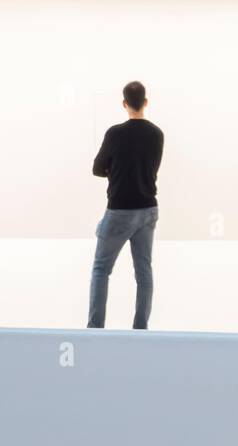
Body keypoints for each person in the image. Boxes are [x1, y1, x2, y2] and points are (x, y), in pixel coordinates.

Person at [87, 80, 163, 330]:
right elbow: (150, 168)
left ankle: (95, 328)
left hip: (120, 209)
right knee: (144, 271)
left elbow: (97, 168)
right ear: (145, 102)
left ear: (124, 103)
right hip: (148, 210)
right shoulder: (156, 134)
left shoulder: (115, 133)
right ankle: (141, 329)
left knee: (101, 270)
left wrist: (116, 172)